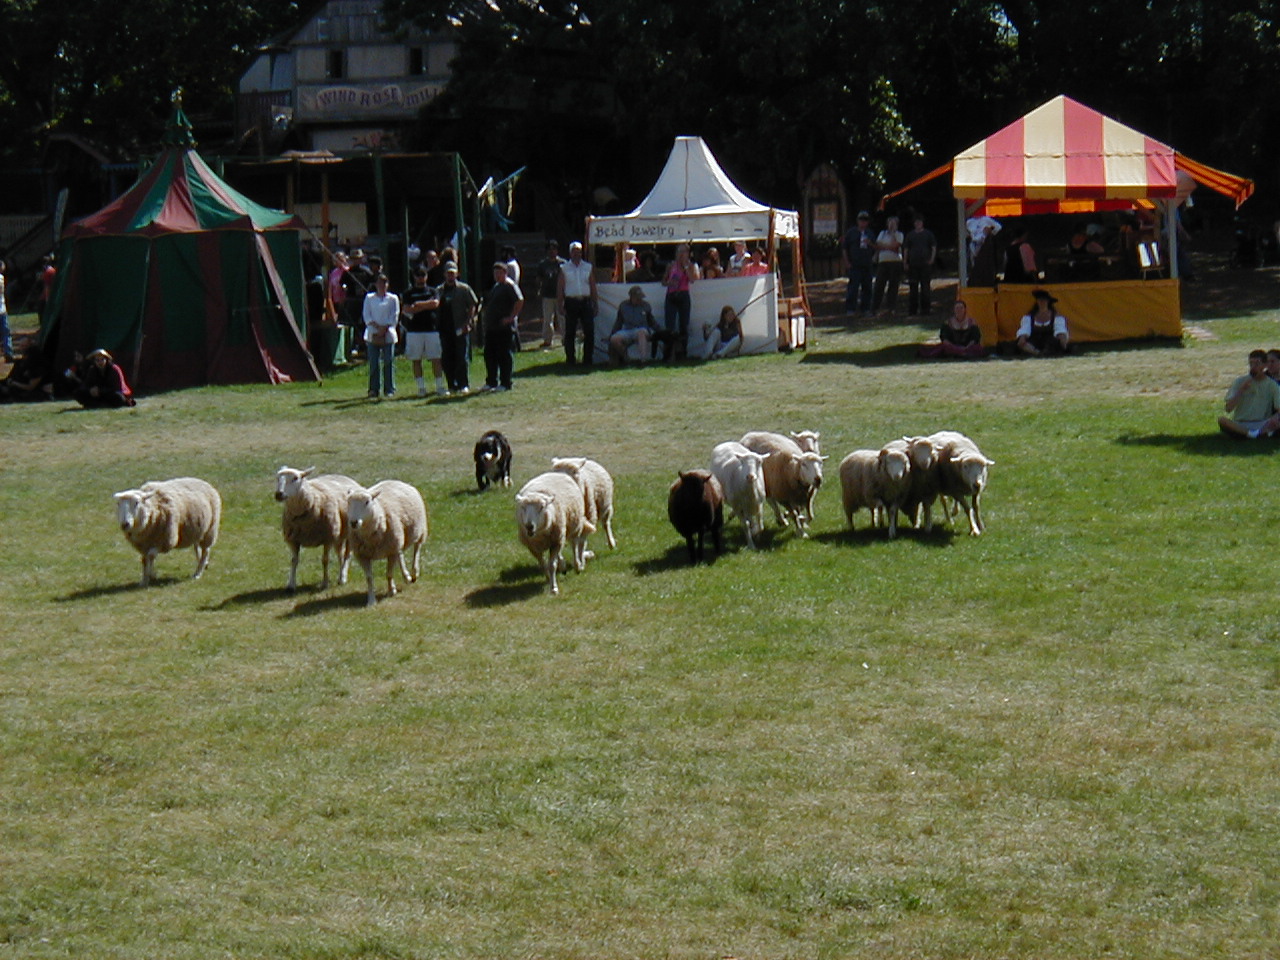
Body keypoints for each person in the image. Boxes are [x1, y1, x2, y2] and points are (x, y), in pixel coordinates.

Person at [401, 267, 446, 397]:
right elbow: (407, 309)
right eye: (418, 275)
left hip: (431, 330)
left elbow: (435, 304)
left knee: (436, 358)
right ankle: (421, 388)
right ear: (414, 277)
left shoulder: (433, 290)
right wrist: (425, 306)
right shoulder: (408, 293)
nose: (420, 278)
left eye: (423, 275)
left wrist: (419, 305)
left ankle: (439, 386)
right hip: (414, 331)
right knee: (416, 359)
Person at [480, 261, 523, 392]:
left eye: (500, 273)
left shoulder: (509, 285)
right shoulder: (497, 286)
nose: (497, 275)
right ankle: (491, 381)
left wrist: (511, 317)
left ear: (505, 273)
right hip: (492, 328)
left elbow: (519, 301)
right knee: (490, 354)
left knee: (504, 355)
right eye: (495, 273)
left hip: (504, 328)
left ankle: (505, 382)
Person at [1219, 350, 1280, 438]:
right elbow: (1228, 408)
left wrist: (1274, 419)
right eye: (1251, 364)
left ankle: (1253, 433)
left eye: (1257, 364)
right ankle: (1253, 434)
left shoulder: (1272, 385)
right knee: (1222, 420)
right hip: (1241, 422)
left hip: (1262, 422)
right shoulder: (1240, 382)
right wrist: (1241, 390)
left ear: (1265, 365)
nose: (1253, 367)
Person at [438, 260, 477, 395]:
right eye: (448, 273)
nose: (450, 276)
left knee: (462, 357)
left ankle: (463, 384)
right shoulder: (439, 290)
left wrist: (468, 322)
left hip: (460, 327)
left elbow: (473, 305)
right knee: (447, 358)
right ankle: (451, 384)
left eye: (452, 273)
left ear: (457, 274)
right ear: (444, 274)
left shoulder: (464, 289)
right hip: (445, 329)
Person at [557, 241, 597, 366]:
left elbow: (592, 286)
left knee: (589, 331)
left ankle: (588, 359)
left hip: (585, 301)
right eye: (574, 250)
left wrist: (595, 303)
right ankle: (570, 359)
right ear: (570, 252)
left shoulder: (588, 267)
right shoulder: (564, 268)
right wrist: (560, 304)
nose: (577, 253)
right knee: (570, 332)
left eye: (579, 250)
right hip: (571, 302)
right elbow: (560, 287)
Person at [363, 273, 400, 398]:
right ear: (376, 284)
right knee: (374, 362)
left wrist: (385, 328)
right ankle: (373, 389)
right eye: (379, 282)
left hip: (388, 334)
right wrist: (377, 328)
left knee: (388, 362)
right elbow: (367, 316)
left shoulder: (393, 298)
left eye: (384, 283)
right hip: (373, 333)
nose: (382, 285)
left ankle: (389, 388)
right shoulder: (369, 298)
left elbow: (394, 316)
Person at [662, 243, 700, 358]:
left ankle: (683, 352)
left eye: (684, 252)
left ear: (688, 254)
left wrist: (686, 267)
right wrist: (669, 283)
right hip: (671, 295)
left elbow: (693, 279)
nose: (681, 254)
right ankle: (669, 353)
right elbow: (663, 281)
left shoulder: (691, 265)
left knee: (684, 325)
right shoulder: (671, 265)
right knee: (670, 325)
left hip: (683, 295)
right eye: (679, 252)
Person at [607, 285, 657, 367]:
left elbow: (651, 321)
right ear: (631, 297)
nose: (639, 300)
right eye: (637, 298)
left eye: (640, 298)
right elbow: (619, 322)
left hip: (642, 328)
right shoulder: (623, 306)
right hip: (628, 330)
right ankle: (626, 358)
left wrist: (659, 331)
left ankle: (643, 360)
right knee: (614, 339)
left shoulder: (646, 306)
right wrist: (612, 334)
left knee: (641, 332)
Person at [918, 300, 984, 359]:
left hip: (968, 347)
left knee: (978, 348)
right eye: (957, 308)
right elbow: (944, 339)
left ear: (965, 309)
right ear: (954, 310)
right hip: (952, 347)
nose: (959, 310)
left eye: (961, 308)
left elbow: (975, 338)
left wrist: (966, 347)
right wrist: (955, 347)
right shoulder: (948, 323)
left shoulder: (972, 322)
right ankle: (961, 353)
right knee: (944, 347)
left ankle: (961, 353)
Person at [1016, 289, 1071, 356]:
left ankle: (1047, 353)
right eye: (1040, 300)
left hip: (1050, 342)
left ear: (1048, 302)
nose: (1042, 302)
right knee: (1025, 344)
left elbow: (1060, 330)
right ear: (1037, 302)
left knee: (1053, 342)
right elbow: (1025, 330)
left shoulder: (1056, 317)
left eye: (1044, 300)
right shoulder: (1029, 317)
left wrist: (1063, 340)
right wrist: (1022, 338)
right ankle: (1037, 353)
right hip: (1034, 342)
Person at [534, 240, 566, 350]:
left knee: (562, 318)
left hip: (561, 295)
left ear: (557, 250)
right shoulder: (543, 264)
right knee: (547, 319)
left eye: (554, 249)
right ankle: (547, 340)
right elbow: (539, 279)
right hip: (547, 294)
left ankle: (565, 339)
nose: (552, 251)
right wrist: (538, 289)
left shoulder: (563, 263)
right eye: (550, 249)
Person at [841, 211, 875, 315]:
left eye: (865, 221)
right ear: (858, 221)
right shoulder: (851, 232)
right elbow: (844, 248)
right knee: (853, 287)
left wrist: (870, 245)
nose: (863, 223)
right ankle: (850, 308)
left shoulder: (870, 233)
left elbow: (876, 247)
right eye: (861, 220)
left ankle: (865, 308)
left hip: (867, 264)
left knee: (867, 287)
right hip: (854, 264)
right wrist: (847, 261)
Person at [903, 217, 937, 317]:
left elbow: (933, 247)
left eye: (919, 222)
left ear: (922, 223)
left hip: (925, 265)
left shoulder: (928, 234)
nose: (918, 224)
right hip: (913, 265)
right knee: (913, 288)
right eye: (916, 222)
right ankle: (913, 310)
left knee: (925, 288)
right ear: (914, 223)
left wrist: (932, 259)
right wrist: (905, 262)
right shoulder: (910, 235)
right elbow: (906, 249)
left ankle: (926, 310)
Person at [871, 216, 904, 314]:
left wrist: (885, 245)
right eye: (890, 223)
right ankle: (874, 308)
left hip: (895, 262)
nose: (891, 225)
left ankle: (891, 308)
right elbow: (878, 245)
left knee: (893, 285)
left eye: (893, 223)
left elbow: (896, 245)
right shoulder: (882, 233)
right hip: (883, 262)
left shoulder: (899, 234)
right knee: (879, 285)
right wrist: (888, 247)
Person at [0, 258, 11, 361]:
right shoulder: (1, 278)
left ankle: (7, 352)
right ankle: (7, 352)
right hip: (2, 309)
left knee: (5, 331)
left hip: (2, 308)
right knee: (6, 332)